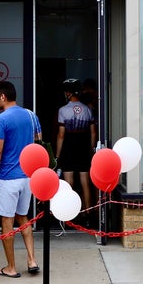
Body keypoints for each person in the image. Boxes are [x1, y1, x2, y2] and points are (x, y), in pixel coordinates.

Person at [0, 81, 41, 278]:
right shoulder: (30, 115)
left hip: (9, 177)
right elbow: (38, 141)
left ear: (3, 97)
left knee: (7, 222)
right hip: (28, 177)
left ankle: (11, 267)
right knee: (23, 218)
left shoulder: (1, 119)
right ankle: (32, 260)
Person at [56, 79, 97, 208]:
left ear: (69, 93)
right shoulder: (87, 109)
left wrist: (58, 155)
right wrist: (91, 149)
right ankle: (89, 212)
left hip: (68, 147)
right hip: (84, 147)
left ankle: (69, 214)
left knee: (69, 182)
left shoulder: (63, 110)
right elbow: (93, 133)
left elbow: (61, 135)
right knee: (85, 181)